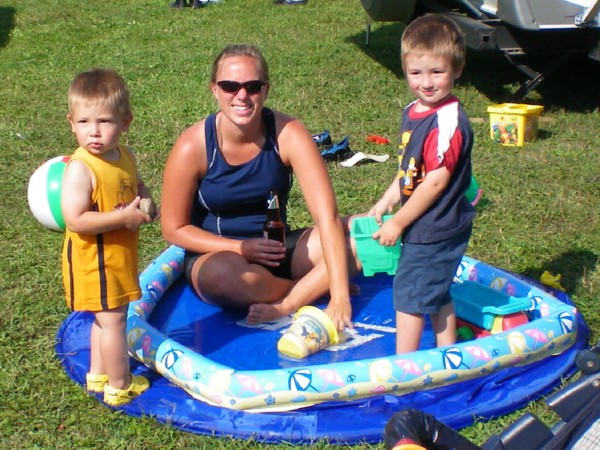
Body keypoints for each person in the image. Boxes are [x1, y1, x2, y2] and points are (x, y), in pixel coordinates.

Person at [161, 44, 355, 331]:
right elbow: (172, 228)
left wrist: (340, 296)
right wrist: (242, 248)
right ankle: (306, 288)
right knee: (225, 279)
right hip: (219, 255)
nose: (242, 96)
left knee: (366, 235)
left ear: (266, 89)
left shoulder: (288, 133)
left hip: (278, 248)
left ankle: (293, 299)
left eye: (252, 86)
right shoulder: (193, 146)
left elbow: (325, 217)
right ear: (214, 89)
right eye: (230, 86)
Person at [367, 14, 475, 354]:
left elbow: (435, 181)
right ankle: (448, 351)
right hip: (428, 223)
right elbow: (411, 169)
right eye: (416, 73)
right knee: (435, 290)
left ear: (456, 69)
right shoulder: (415, 110)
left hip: (435, 226)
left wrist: (399, 222)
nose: (426, 83)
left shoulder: (446, 121)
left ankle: (406, 365)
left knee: (410, 296)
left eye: (437, 72)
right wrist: (389, 199)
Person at [61, 68, 156, 405]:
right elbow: (76, 220)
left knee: (105, 321)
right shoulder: (81, 168)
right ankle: (120, 383)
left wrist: (145, 200)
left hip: (116, 258)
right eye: (85, 122)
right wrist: (123, 217)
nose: (94, 132)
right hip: (95, 262)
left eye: (104, 121)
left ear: (125, 121)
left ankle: (97, 374)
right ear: (72, 122)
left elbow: (135, 183)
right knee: (114, 323)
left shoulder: (124, 156)